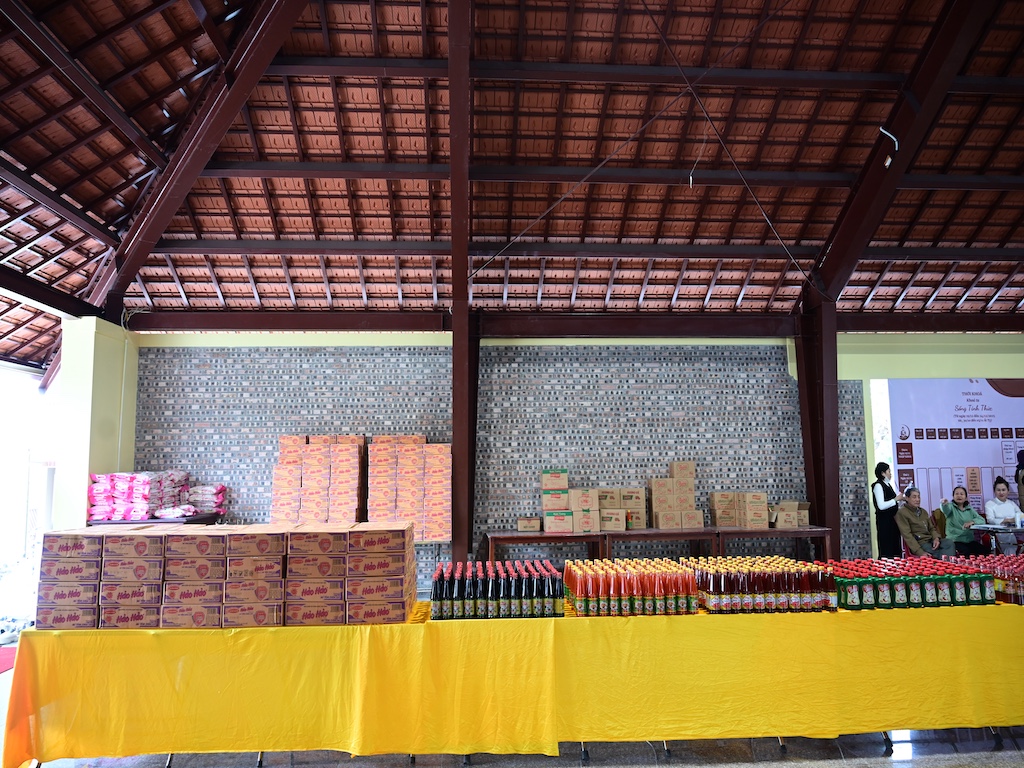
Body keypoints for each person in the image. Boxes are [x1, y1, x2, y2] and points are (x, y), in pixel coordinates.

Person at [896, 487, 956, 559]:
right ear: (907, 498)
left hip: (930, 540)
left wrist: (936, 538)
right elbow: (907, 535)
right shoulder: (902, 512)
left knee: (949, 543)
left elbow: (931, 528)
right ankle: (944, 564)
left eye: (919, 497)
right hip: (919, 543)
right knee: (937, 552)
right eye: (914, 497)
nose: (917, 499)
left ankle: (945, 563)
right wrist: (920, 552)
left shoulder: (923, 511)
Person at [939, 486, 987, 555]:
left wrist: (972, 522)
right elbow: (945, 509)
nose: (959, 496)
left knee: (983, 550)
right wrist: (944, 504)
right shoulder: (951, 507)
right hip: (955, 540)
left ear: (966, 497)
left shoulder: (969, 509)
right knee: (966, 551)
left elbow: (982, 520)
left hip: (969, 540)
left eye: (961, 494)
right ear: (953, 496)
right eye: (957, 494)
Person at [871, 462, 904, 558]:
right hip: (885, 522)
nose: (890, 474)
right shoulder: (878, 485)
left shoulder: (888, 485)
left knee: (895, 547)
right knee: (887, 548)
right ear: (883, 473)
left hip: (893, 521)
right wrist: (895, 499)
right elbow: (881, 506)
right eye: (889, 471)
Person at [984, 476, 1023, 554]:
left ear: (1008, 491)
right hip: (997, 534)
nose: (1001, 493)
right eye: (998, 490)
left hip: (1011, 533)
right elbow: (990, 520)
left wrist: (1016, 519)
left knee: (1012, 549)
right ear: (994, 491)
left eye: (1003, 490)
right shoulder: (989, 504)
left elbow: (1021, 516)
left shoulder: (1011, 503)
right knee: (1009, 550)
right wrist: (1006, 520)